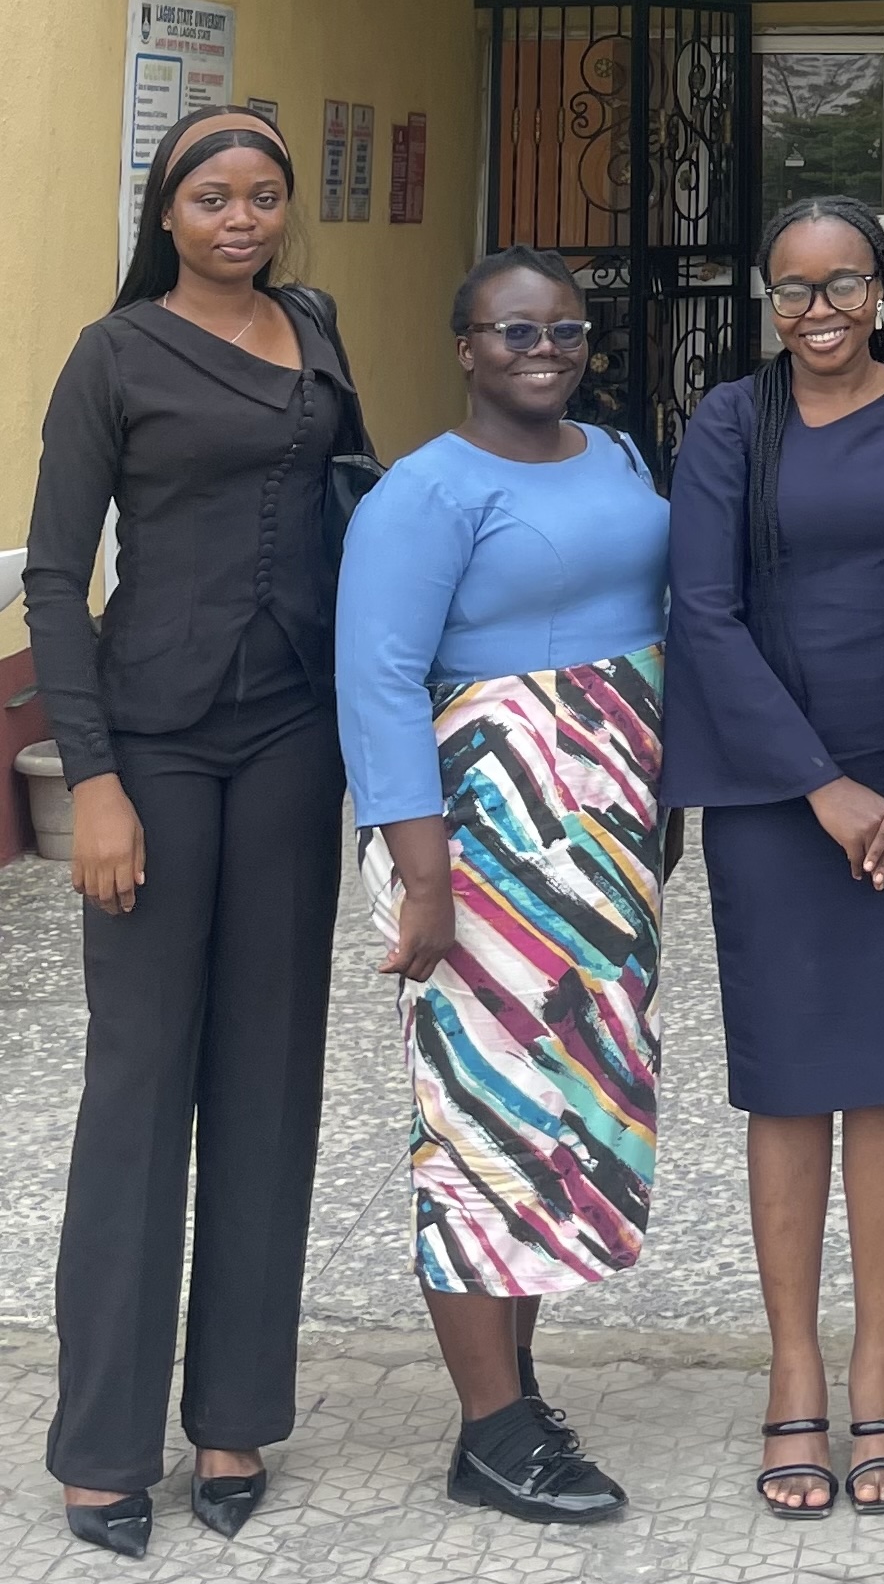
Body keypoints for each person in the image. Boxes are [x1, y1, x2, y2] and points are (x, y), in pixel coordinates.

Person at [24, 105, 357, 1558]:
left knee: (271, 1075)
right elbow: (53, 576)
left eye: (263, 195)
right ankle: (103, 1442)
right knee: (141, 1082)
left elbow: (353, 505)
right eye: (213, 196)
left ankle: (234, 1412)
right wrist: (92, 780)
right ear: (166, 211)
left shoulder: (315, 326)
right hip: (154, 743)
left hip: (291, 734)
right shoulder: (113, 355)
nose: (241, 218)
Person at [335, 247, 669, 1528]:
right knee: (479, 1115)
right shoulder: (421, 493)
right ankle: (490, 1431)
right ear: (465, 349)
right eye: (513, 332)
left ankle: (515, 1395)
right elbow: (376, 681)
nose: (543, 351)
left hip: (604, 832)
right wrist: (422, 875)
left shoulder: (617, 456)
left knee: (559, 1111)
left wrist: (656, 809)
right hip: (486, 835)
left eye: (564, 330)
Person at [664, 195, 884, 1523]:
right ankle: (794, 1366)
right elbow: (703, 612)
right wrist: (819, 786)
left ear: (882, 289)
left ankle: (879, 1368)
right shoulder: (729, 423)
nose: (817, 312)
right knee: (791, 1083)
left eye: (843, 284)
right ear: (766, 298)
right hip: (773, 790)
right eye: (791, 289)